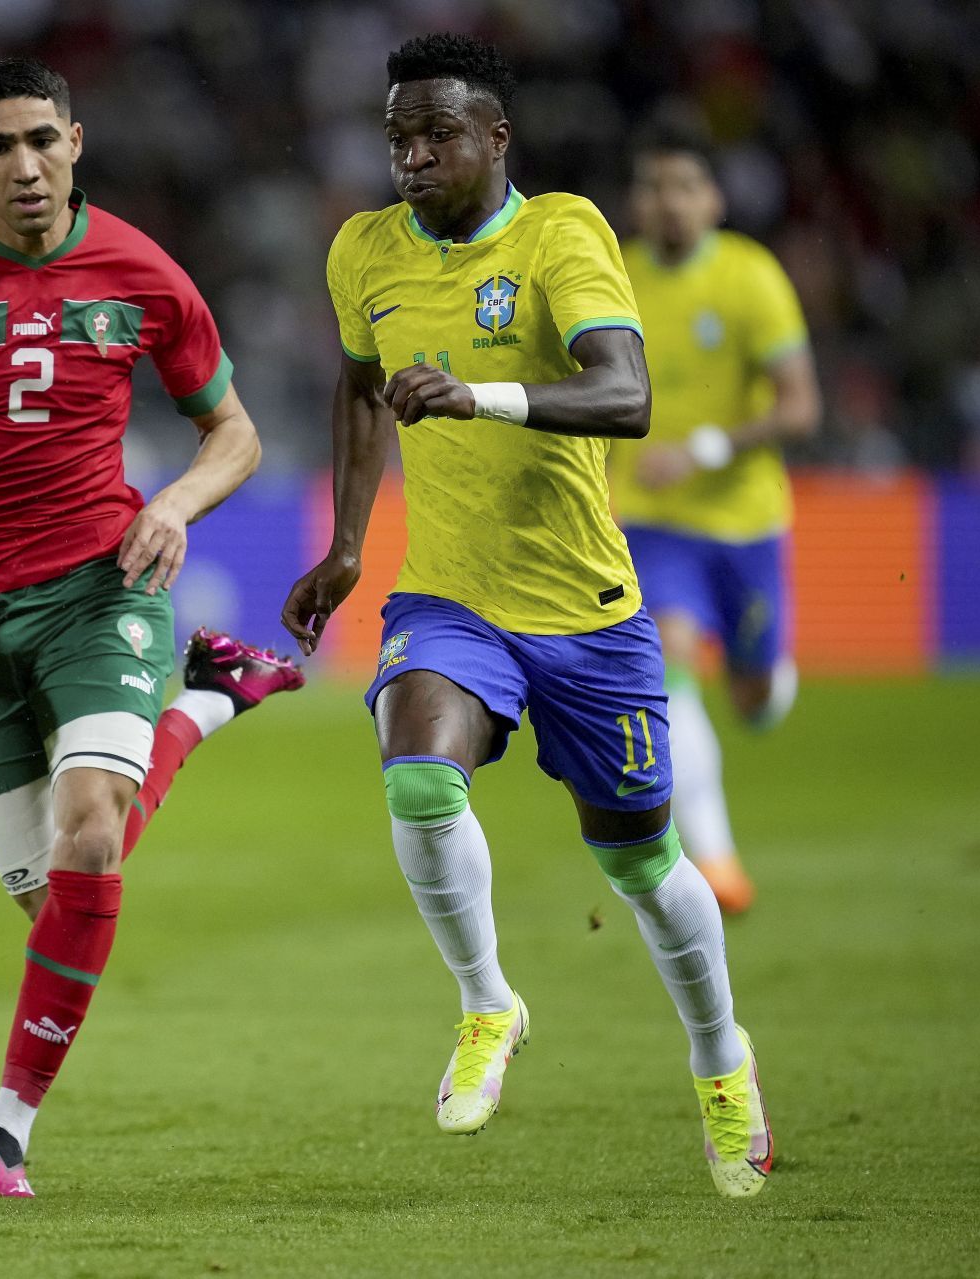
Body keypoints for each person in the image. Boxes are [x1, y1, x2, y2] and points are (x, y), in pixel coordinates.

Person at [280, 34, 772, 1198]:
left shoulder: (563, 232)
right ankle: (487, 1000)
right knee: (414, 771)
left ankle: (720, 1059)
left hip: (588, 612)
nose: (410, 156)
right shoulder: (364, 251)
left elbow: (628, 394)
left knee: (644, 862)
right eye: (397, 135)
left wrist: (481, 395)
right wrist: (350, 545)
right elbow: (358, 388)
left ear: (496, 138)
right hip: (451, 598)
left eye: (435, 135)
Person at [0, 57, 302, 1199]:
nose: (24, 165)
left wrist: (173, 501)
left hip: (100, 588)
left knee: (89, 832)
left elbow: (233, 430)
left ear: (77, 143)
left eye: (43, 140)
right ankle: (210, 698)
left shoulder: (143, 272)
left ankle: (9, 1129)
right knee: (63, 900)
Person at [611, 120, 821, 915]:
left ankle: (763, 677)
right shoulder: (614, 276)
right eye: (653, 187)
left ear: (715, 200)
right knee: (669, 666)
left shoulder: (749, 276)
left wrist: (701, 449)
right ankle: (719, 861)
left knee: (757, 699)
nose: (667, 203)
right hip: (652, 520)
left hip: (744, 521)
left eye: (684, 187)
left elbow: (802, 408)